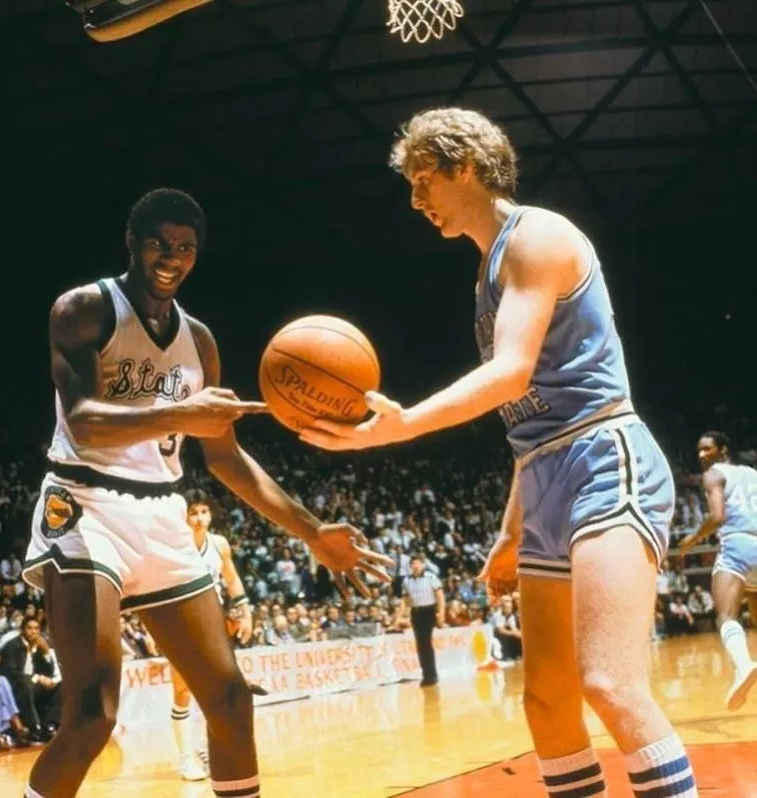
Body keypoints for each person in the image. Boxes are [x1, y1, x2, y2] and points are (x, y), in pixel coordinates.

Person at [301, 108, 697, 797]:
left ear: (468, 168)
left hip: (604, 458)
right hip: (544, 476)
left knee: (609, 682)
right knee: (545, 699)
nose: (416, 199)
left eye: (426, 180)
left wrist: (406, 424)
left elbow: (511, 374)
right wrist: (512, 531)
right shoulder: (487, 274)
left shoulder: (537, 238)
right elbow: (523, 419)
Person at [19, 188, 392, 798]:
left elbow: (225, 458)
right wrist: (180, 412)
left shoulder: (201, 342)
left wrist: (312, 532)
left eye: (185, 248)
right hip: (85, 508)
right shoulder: (85, 308)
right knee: (91, 716)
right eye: (159, 243)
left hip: (162, 511)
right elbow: (82, 418)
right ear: (133, 245)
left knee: (228, 698)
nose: (172, 256)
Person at [170, 489, 265, 781]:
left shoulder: (219, 543)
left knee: (219, 688)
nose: (199, 519)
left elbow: (232, 579)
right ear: (184, 516)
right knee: (182, 690)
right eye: (193, 513)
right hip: (179, 620)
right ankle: (186, 759)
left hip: (214, 622)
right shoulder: (174, 544)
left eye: (204, 512)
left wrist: (245, 611)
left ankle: (202, 748)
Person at [679, 431, 756, 710]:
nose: (701, 455)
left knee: (725, 616)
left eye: (707, 449)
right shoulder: (751, 474)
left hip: (737, 544)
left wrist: (693, 539)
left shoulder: (713, 475)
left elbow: (717, 517)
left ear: (723, 450)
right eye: (699, 450)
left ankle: (743, 666)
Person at [0, 617, 63, 742]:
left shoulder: (39, 645)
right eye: (29, 628)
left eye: (36, 628)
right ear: (22, 629)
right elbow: (9, 672)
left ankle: (49, 724)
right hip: (15, 685)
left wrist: (45, 653)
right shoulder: (11, 646)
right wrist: (36, 677)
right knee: (25, 684)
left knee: (59, 685)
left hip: (33, 683)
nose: (33, 632)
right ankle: (34, 727)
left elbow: (48, 672)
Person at [402, 555, 445, 686]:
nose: (415, 566)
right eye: (413, 564)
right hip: (416, 612)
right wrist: (404, 615)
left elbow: (440, 596)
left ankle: (432, 675)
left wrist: (441, 613)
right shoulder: (406, 580)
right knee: (420, 644)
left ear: (423, 565)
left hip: (429, 610)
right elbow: (406, 600)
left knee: (426, 642)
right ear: (410, 567)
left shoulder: (431, 577)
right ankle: (426, 674)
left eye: (418, 563)